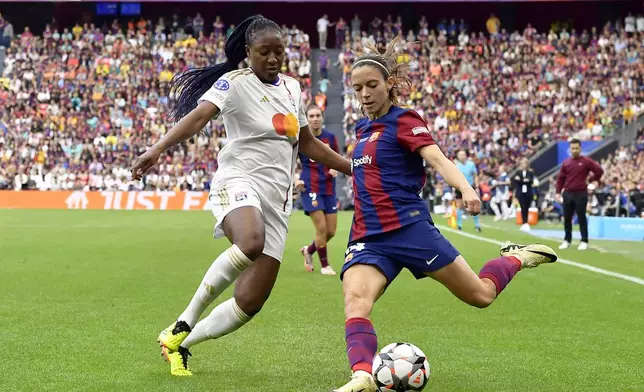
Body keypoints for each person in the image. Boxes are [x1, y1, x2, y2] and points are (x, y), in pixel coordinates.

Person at [333, 37, 558, 392]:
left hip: (409, 229)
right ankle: (362, 374)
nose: (364, 94)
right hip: (367, 236)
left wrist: (466, 189)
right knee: (355, 300)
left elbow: (437, 159)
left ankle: (515, 259)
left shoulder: (405, 120)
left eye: (372, 85)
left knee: (480, 296)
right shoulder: (362, 130)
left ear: (389, 84)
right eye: (357, 88)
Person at [130, 15, 351, 377]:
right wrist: (157, 149)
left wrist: (353, 168)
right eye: (264, 51)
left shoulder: (293, 89)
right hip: (238, 179)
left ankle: (180, 345)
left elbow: (308, 143)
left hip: (277, 202)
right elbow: (200, 117)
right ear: (247, 53)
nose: (273, 58)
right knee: (250, 240)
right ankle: (183, 321)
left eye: (279, 51)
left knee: (250, 303)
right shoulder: (233, 83)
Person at [296, 105, 340, 275]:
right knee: (321, 229)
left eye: (317, 115)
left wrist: (336, 168)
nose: (315, 118)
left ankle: (309, 250)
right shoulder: (301, 139)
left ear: (322, 118)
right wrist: (295, 179)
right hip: (310, 186)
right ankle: (325, 266)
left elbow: (337, 158)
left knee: (331, 231)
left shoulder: (330, 138)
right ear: (306, 119)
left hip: (328, 186)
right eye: (311, 116)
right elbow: (290, 161)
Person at [555, 139, 604, 250]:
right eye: (573, 148)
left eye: (576, 148)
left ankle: (584, 240)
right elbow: (561, 179)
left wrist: (591, 179)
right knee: (567, 218)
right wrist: (558, 192)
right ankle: (567, 240)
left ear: (580, 148)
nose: (575, 150)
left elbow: (599, 171)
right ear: (570, 149)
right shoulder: (566, 163)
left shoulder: (586, 161)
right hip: (567, 193)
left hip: (581, 193)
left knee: (581, 217)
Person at [454, 149, 481, 232]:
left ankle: (477, 226)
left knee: (473, 206)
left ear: (466, 155)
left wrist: (476, 186)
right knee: (459, 206)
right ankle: (459, 225)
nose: (462, 156)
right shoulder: (456, 165)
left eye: (463, 154)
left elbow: (475, 175)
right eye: (460, 155)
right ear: (458, 156)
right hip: (459, 188)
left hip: (470, 187)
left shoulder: (471, 164)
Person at [513, 158, 538, 232]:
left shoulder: (530, 173)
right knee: (522, 207)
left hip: (528, 192)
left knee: (527, 207)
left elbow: (530, 181)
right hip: (520, 192)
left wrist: (522, 180)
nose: (524, 165)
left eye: (525, 163)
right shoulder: (518, 172)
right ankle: (524, 222)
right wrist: (524, 180)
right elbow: (516, 181)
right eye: (522, 163)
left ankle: (526, 222)